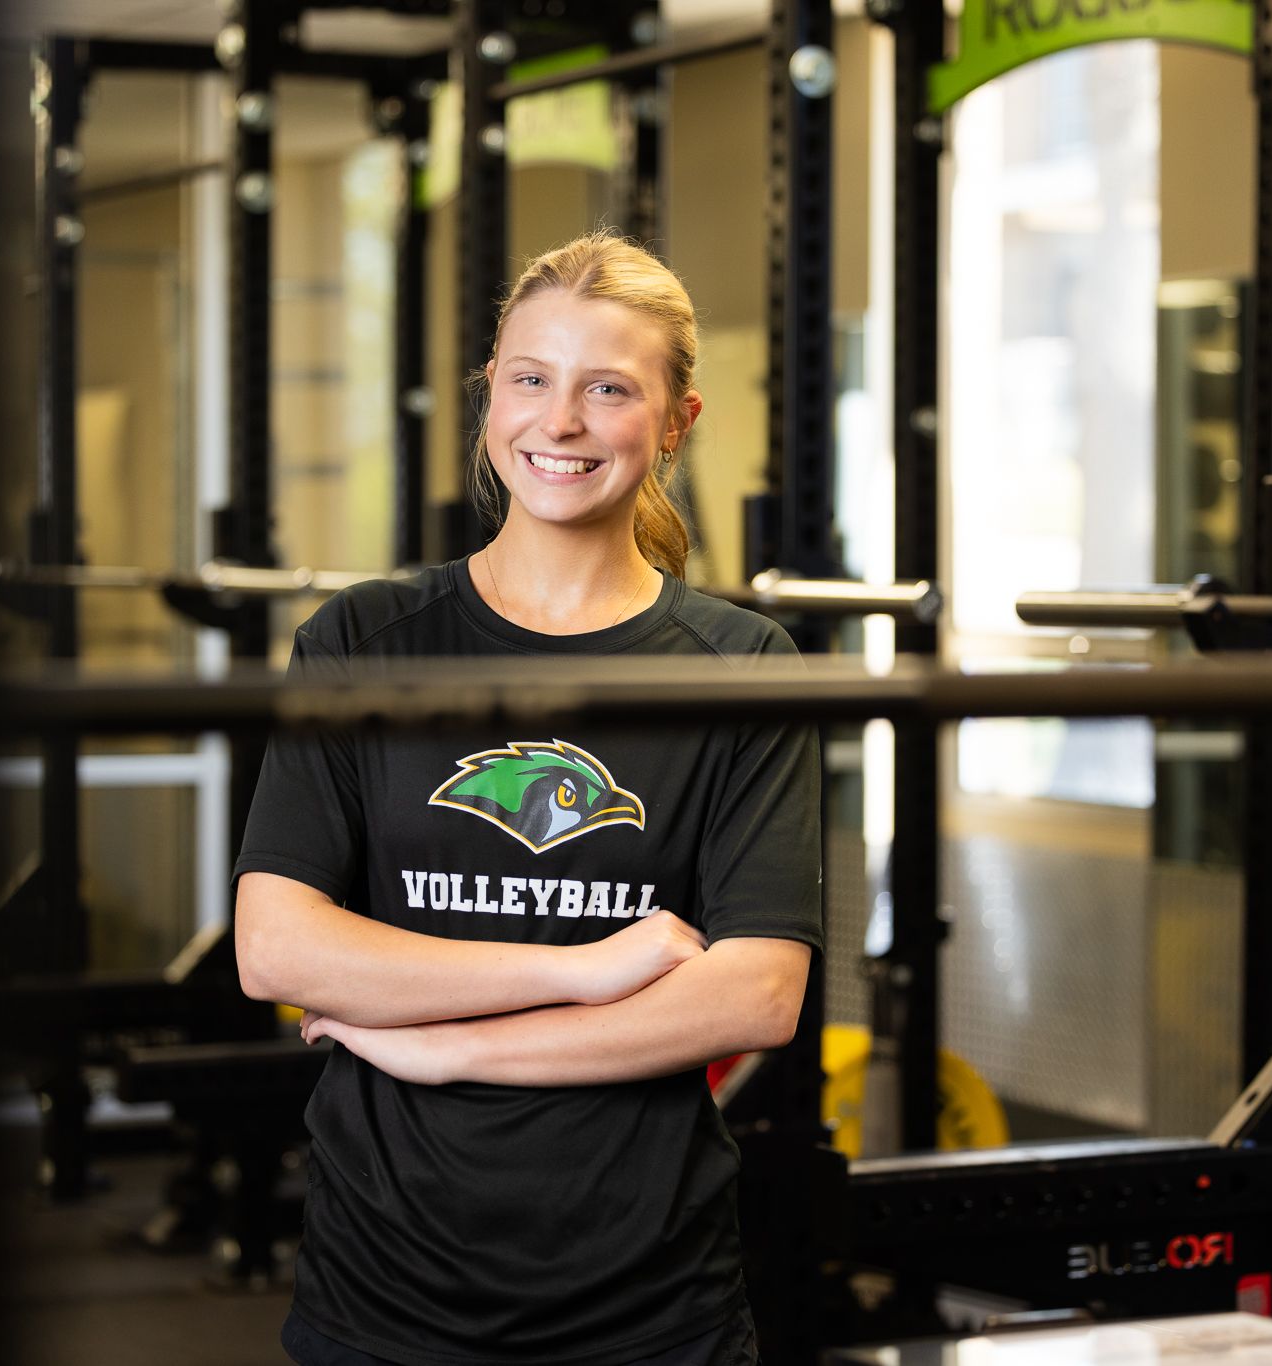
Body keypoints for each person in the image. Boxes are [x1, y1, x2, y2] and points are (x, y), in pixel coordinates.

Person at [233, 230, 823, 1366]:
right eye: (528, 379)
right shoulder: (361, 642)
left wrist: (447, 1046)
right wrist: (578, 970)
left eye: (606, 389)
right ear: (489, 397)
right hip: (384, 1293)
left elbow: (753, 997)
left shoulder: (742, 666)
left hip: (647, 1307)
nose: (558, 423)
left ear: (675, 422)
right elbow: (276, 948)